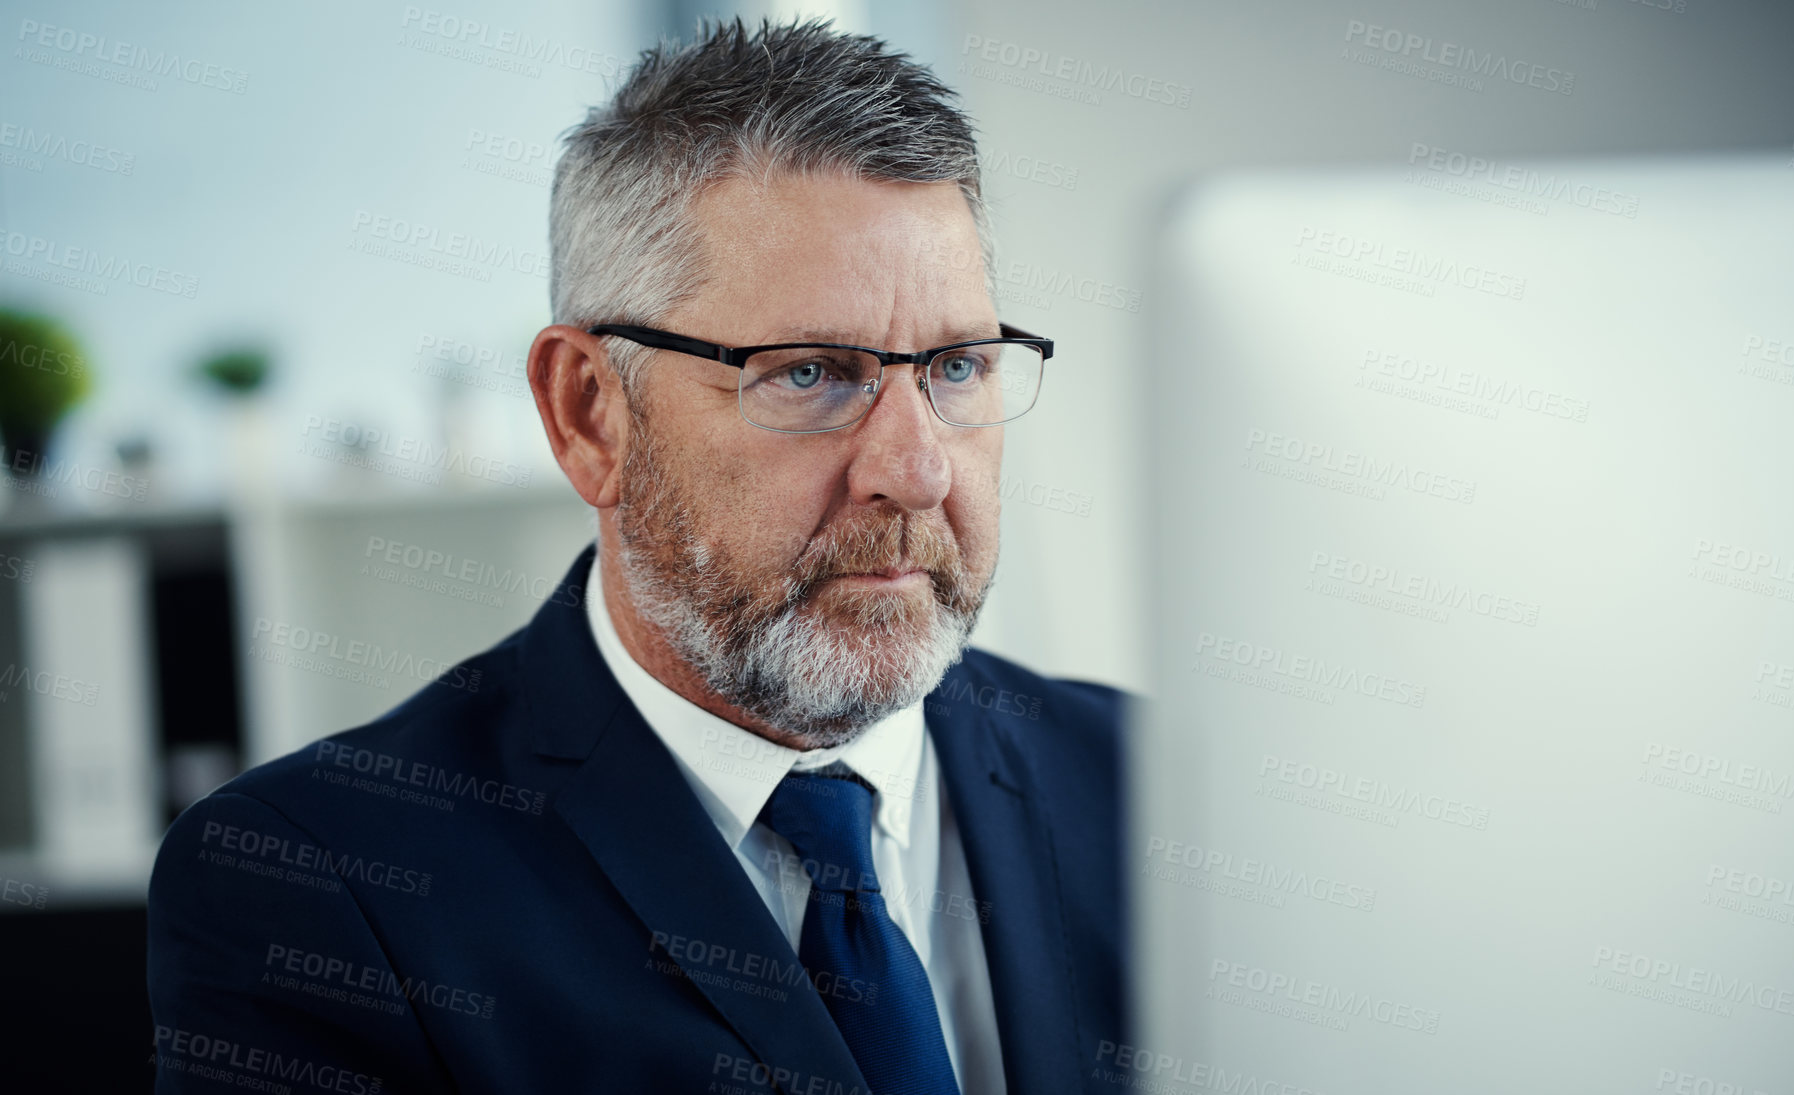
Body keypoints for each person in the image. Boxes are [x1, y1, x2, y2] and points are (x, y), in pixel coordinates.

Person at [147, 19, 1127, 1094]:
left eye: (955, 366)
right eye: (806, 373)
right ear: (589, 416)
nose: (917, 469)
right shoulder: (317, 885)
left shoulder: (1146, 785)